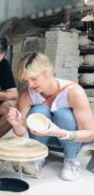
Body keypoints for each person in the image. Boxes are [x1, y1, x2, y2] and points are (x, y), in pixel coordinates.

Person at [7, 52, 94, 181]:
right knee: (38, 110)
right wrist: (16, 124)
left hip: (70, 138)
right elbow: (21, 131)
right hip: (44, 138)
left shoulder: (74, 92)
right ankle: (37, 157)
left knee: (63, 114)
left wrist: (62, 133)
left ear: (47, 72)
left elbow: (90, 134)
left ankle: (71, 159)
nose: (30, 85)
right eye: (26, 81)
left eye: (33, 78)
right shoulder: (27, 95)